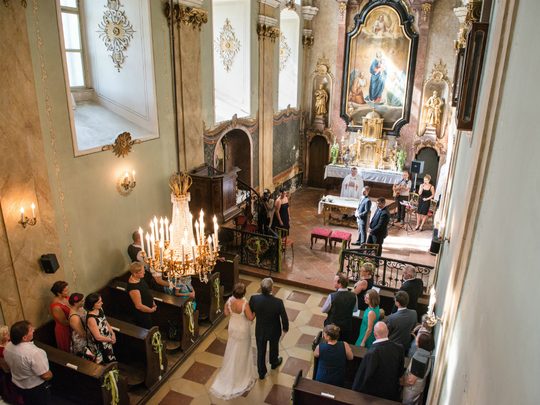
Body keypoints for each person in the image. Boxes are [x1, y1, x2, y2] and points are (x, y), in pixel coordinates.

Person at [209, 283, 256, 399]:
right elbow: (250, 318)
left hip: (233, 327)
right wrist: (255, 312)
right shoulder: (245, 304)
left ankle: (230, 372)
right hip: (242, 330)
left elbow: (225, 313)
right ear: (243, 293)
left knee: (232, 348)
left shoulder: (229, 301)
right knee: (242, 351)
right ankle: (241, 375)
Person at [3, 321, 53, 405]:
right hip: (35, 389)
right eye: (30, 330)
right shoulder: (35, 353)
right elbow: (45, 375)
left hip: (18, 385)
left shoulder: (7, 347)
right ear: (24, 338)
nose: (33, 330)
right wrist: (50, 374)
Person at [352, 322, 404, 401]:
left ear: (374, 334)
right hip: (391, 392)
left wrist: (354, 391)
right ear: (388, 332)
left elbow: (364, 376)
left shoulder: (372, 353)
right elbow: (400, 370)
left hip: (374, 395)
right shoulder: (399, 348)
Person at [249, 278, 289, 380]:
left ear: (261, 288)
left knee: (261, 351)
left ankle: (261, 373)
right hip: (274, 330)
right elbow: (284, 317)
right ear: (272, 288)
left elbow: (250, 311)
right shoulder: (278, 302)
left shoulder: (254, 299)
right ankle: (274, 362)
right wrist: (285, 328)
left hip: (260, 330)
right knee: (274, 347)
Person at [322, 273, 358, 343]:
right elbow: (355, 309)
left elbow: (323, 310)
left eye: (334, 281)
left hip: (332, 328)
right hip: (346, 327)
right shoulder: (354, 296)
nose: (333, 282)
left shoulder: (332, 296)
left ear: (340, 284)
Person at [401, 332, 435, 404]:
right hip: (419, 387)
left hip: (411, 390)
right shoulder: (427, 353)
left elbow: (411, 381)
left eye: (417, 338)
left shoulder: (419, 358)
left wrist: (401, 382)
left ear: (421, 343)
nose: (416, 339)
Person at [84, 293, 116, 364]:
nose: (102, 303)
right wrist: (110, 340)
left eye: (101, 301)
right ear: (92, 305)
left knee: (111, 358)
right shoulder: (91, 319)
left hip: (107, 339)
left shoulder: (100, 309)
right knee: (106, 362)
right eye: (99, 302)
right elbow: (98, 337)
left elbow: (105, 322)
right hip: (100, 344)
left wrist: (112, 333)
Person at [127, 262, 157, 329]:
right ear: (135, 274)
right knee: (147, 329)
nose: (144, 273)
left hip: (149, 308)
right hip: (143, 314)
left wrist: (153, 302)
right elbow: (139, 306)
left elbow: (146, 291)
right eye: (142, 272)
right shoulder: (134, 288)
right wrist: (151, 310)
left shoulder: (139, 278)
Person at [0, 325, 23, 405]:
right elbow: (6, 367)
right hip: (11, 374)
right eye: (6, 334)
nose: (9, 334)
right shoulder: (1, 351)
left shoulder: (10, 342)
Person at [68, 293, 94, 361]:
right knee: (85, 359)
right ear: (75, 303)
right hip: (81, 340)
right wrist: (93, 337)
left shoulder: (81, 308)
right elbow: (82, 333)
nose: (84, 302)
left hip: (88, 334)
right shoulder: (74, 317)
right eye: (82, 301)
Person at [49, 280, 71, 352]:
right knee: (68, 350)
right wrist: (78, 320)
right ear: (58, 293)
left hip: (72, 325)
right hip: (64, 331)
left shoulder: (66, 297)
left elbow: (75, 300)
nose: (68, 292)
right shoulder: (56, 307)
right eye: (66, 291)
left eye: (68, 289)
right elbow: (64, 322)